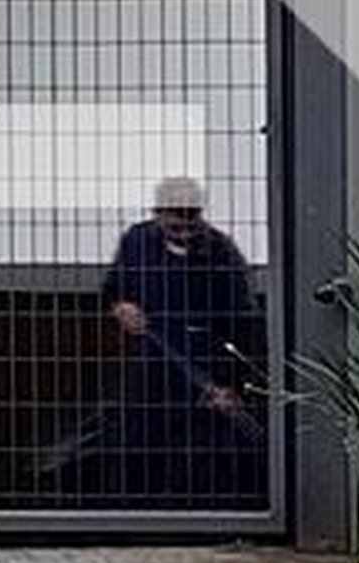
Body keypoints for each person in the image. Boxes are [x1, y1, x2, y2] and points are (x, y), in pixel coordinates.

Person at [92, 176, 266, 509]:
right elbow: (113, 290)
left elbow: (244, 323)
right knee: (139, 445)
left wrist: (234, 385)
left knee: (200, 457)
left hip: (204, 364)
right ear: (159, 214)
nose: (184, 228)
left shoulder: (221, 251)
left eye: (191, 217)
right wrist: (121, 308)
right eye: (176, 218)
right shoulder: (137, 241)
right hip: (150, 362)